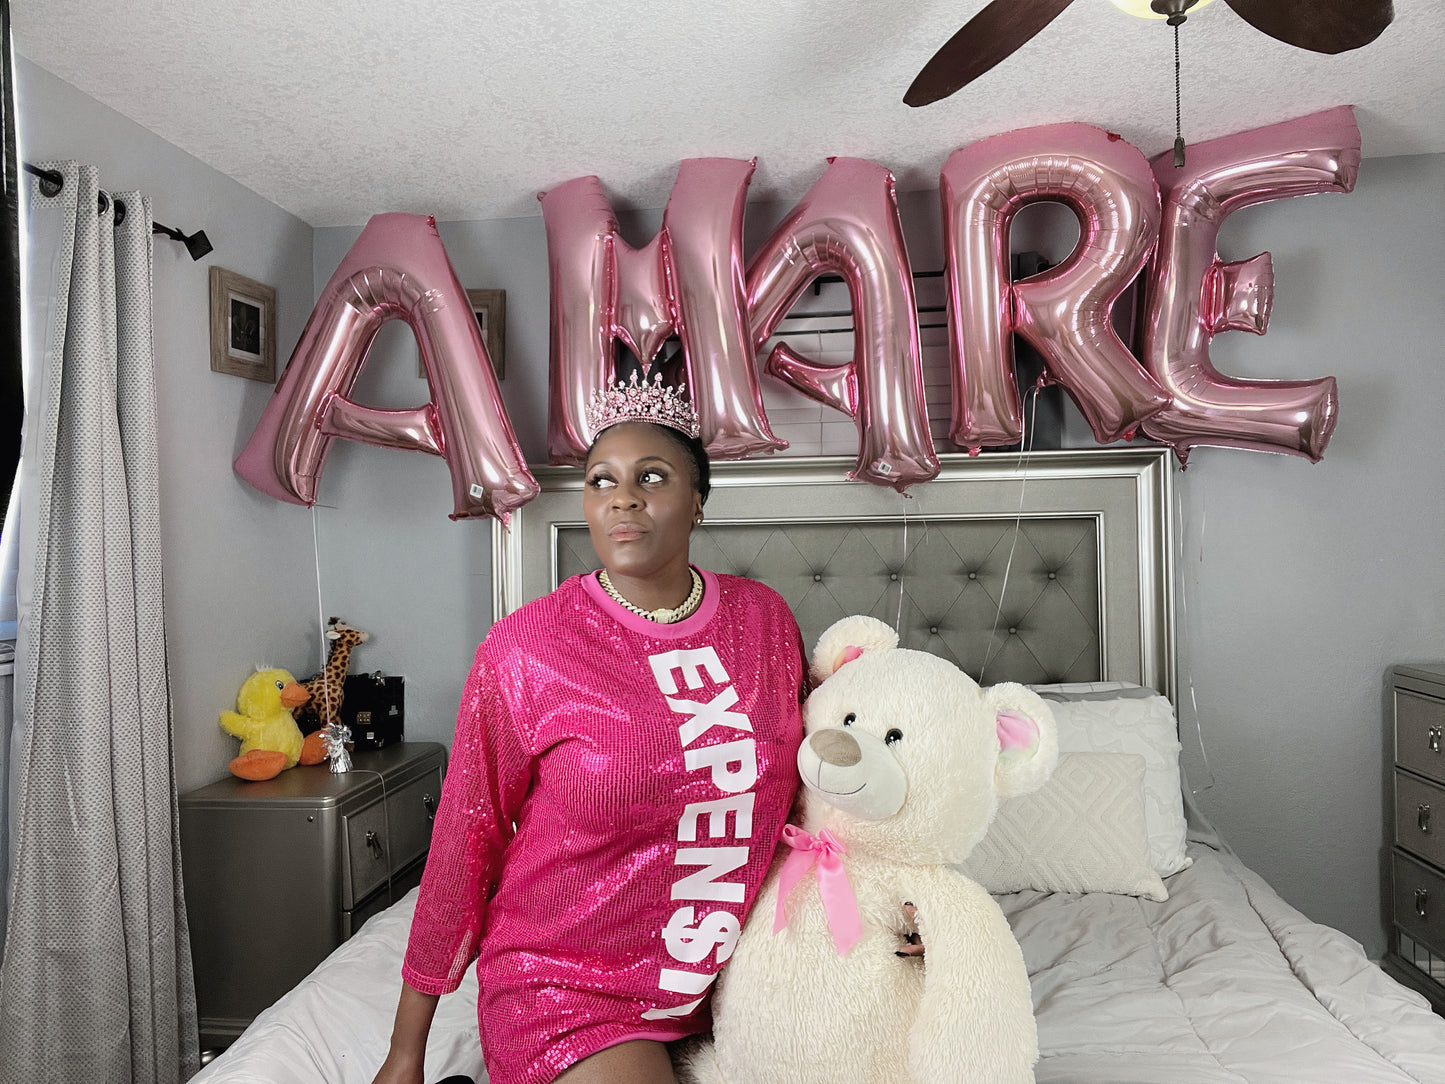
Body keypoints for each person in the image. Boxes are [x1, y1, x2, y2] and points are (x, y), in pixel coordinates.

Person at [372, 372, 807, 1084]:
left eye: (652, 477)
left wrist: (891, 901)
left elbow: (824, 786)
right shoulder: (526, 648)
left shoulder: (763, 621)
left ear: (697, 503)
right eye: (601, 480)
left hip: (739, 972)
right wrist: (405, 1050)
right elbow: (466, 838)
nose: (623, 498)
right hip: (569, 980)